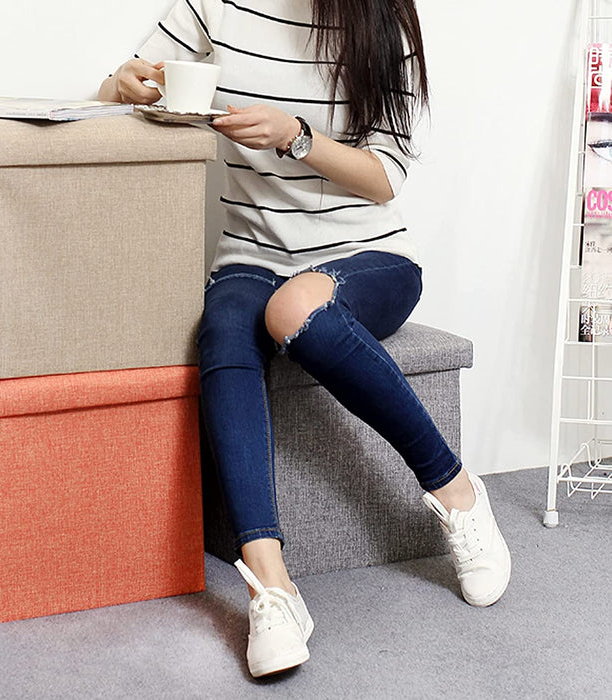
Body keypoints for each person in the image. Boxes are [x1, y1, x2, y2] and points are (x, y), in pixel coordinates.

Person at [99, 0, 511, 678]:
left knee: (295, 309)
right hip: (248, 257)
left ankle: (454, 490)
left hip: (366, 258)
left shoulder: (380, 17)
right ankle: (272, 588)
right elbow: (133, 86)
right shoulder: (217, 6)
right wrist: (122, 85)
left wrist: (298, 137)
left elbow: (385, 178)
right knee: (223, 329)